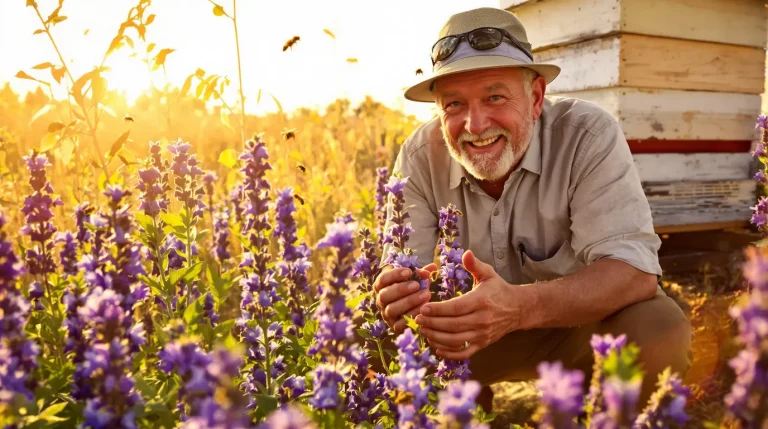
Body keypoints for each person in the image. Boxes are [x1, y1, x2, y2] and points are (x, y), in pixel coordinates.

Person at [373, 6, 692, 410]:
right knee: (363, 339)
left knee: (656, 329)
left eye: (495, 96)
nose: (474, 124)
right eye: (454, 104)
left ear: (536, 96)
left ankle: (609, 413)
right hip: (465, 335)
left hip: (574, 330)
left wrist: (517, 308)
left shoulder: (586, 136)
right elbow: (401, 265)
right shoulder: (420, 156)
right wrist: (396, 290)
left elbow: (634, 274)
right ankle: (463, 406)